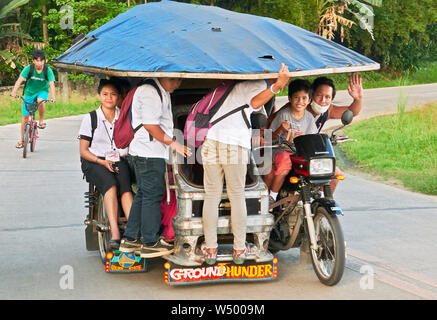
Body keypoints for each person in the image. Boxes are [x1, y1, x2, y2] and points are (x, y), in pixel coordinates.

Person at [201, 63, 290, 265]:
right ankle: (240, 249)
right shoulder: (258, 83)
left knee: (212, 195)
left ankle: (211, 249)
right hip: (233, 145)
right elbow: (255, 102)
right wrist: (276, 86)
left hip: (211, 140)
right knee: (237, 194)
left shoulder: (238, 83)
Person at [119, 78, 191, 258]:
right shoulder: (150, 92)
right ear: (164, 76)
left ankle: (131, 238)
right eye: (175, 80)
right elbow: (151, 126)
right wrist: (173, 143)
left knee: (144, 194)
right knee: (152, 195)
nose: (178, 84)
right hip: (148, 153)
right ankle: (150, 241)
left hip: (147, 152)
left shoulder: (159, 91)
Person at [78, 79, 134, 248]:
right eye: (105, 94)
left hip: (117, 159)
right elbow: (84, 151)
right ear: (99, 96)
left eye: (113, 94)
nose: (109, 97)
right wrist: (101, 162)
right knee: (110, 184)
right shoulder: (90, 118)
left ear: (119, 97)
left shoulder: (124, 117)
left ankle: (132, 231)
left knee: (126, 187)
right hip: (94, 160)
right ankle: (115, 231)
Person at [263, 79, 317, 204]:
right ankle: (273, 196)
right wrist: (281, 128)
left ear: (309, 101)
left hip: (299, 152)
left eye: (304, 98)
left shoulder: (309, 117)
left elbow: (313, 138)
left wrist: (304, 136)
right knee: (285, 161)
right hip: (281, 150)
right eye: (296, 97)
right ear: (290, 98)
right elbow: (270, 137)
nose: (300, 102)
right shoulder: (283, 115)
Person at [309, 73, 363, 192]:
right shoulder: (299, 106)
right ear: (311, 94)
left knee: (334, 175)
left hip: (311, 155)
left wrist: (358, 98)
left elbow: (352, 112)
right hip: (292, 153)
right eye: (319, 95)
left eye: (328, 97)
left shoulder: (328, 110)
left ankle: (323, 206)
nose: (323, 100)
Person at [10, 49, 56, 148]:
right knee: (25, 118)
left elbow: (51, 84)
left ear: (44, 61)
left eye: (41, 60)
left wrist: (53, 96)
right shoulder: (28, 69)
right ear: (33, 61)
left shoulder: (47, 70)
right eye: (37, 60)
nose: (39, 63)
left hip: (42, 91)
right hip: (29, 92)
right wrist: (14, 92)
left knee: (40, 100)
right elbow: (19, 81)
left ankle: (40, 121)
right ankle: (21, 140)